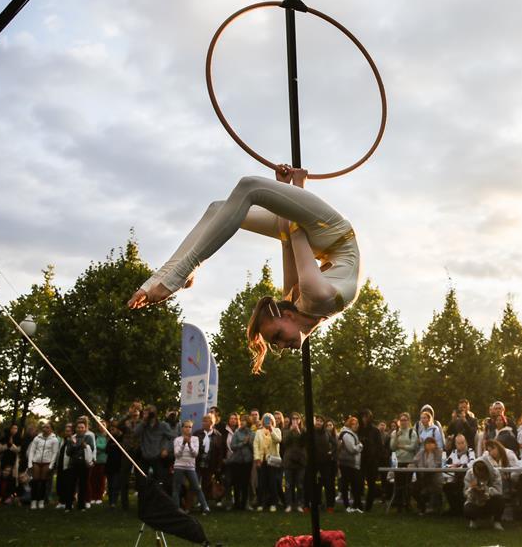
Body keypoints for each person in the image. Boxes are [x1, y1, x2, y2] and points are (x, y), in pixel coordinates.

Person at [129, 167, 362, 374]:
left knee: (217, 209)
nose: (280, 347)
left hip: (315, 237)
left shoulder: (297, 302)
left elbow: (289, 239)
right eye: (278, 337)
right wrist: (294, 189)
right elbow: (294, 233)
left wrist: (288, 190)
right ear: (288, 316)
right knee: (247, 188)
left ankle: (159, 282)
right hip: (331, 231)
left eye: (274, 342)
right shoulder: (317, 296)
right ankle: (177, 275)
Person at [173, 420, 210, 514]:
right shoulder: (177, 440)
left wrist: (189, 444)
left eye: (190, 427)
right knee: (177, 488)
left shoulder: (195, 439)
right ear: (182, 428)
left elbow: (195, 454)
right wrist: (183, 444)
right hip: (179, 466)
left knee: (197, 487)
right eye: (186, 427)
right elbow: (177, 455)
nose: (188, 429)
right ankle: (176, 509)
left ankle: (205, 506)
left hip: (190, 467)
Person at [134, 406, 176, 487]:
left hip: (158, 457)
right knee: (142, 481)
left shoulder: (163, 425)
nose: (145, 415)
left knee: (160, 481)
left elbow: (172, 438)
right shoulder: (143, 425)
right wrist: (144, 422)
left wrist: (166, 449)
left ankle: (158, 498)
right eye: (144, 413)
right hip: (144, 456)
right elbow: (135, 433)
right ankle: (143, 498)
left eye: (148, 413)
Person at [389, 412, 418, 512]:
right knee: (399, 483)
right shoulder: (395, 432)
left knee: (408, 484)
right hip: (399, 461)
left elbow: (413, 447)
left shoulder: (412, 432)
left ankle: (407, 503)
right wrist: (397, 437)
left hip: (409, 461)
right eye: (401, 420)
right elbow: (392, 447)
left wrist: (401, 446)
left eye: (405, 420)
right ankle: (399, 504)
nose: (403, 422)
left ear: (408, 421)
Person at [193, 414, 224, 507]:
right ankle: (197, 501)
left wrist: (218, 466)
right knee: (196, 483)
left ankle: (204, 503)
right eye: (203, 421)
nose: (203, 423)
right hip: (198, 462)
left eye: (205, 421)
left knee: (206, 484)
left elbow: (220, 452)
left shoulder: (218, 435)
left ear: (211, 423)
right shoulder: (197, 433)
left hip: (210, 463)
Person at [27, 421, 59, 509]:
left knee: (43, 482)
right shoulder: (37, 438)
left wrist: (51, 465)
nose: (45, 429)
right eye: (44, 427)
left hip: (47, 463)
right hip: (36, 462)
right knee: (35, 482)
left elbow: (54, 453)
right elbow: (32, 451)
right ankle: (33, 501)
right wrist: (30, 463)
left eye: (47, 427)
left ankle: (41, 501)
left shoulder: (54, 439)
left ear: (51, 429)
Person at [464, 459, 504, 530]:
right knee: (467, 508)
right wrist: (471, 489)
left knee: (500, 500)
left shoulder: (495, 473)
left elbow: (499, 491)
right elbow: (465, 493)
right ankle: (473, 520)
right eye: (478, 474)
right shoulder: (469, 474)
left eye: (482, 475)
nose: (480, 476)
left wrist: (486, 489)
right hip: (474, 501)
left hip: (490, 500)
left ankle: (497, 521)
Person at [253, 413, 282, 512]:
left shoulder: (277, 430)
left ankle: (273, 503)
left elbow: (278, 440)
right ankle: (261, 503)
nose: (267, 421)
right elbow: (255, 445)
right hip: (262, 461)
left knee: (273, 483)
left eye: (269, 419)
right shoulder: (258, 432)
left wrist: (271, 430)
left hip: (272, 461)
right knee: (261, 483)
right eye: (266, 419)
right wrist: (257, 458)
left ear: (272, 421)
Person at [443, 433, 475, 516]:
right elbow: (446, 465)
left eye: (463, 442)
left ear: (466, 442)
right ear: (455, 444)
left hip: (467, 480)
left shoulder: (470, 451)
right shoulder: (453, 452)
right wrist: (455, 466)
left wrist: (457, 466)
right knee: (447, 487)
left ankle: (461, 510)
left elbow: (472, 464)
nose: (461, 445)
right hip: (454, 478)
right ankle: (454, 509)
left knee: (460, 487)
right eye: (459, 443)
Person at [338, 416, 364, 513]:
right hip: (347, 463)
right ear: (350, 424)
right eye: (354, 424)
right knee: (347, 485)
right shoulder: (346, 434)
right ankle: (347, 505)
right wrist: (360, 446)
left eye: (357, 424)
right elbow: (352, 449)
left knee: (355, 485)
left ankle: (356, 505)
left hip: (353, 464)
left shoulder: (352, 434)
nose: (357, 426)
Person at [282, 412, 307, 513]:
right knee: (288, 484)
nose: (295, 420)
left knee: (300, 484)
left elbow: (304, 443)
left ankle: (299, 504)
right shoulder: (286, 431)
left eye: (297, 418)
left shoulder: (304, 430)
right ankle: (289, 504)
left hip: (301, 461)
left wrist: (299, 433)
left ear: (300, 420)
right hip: (289, 460)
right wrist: (290, 432)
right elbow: (284, 443)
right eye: (293, 419)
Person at [312, 415, 337, 512]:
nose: (318, 422)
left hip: (326, 463)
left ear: (323, 423)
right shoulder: (311, 432)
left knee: (328, 484)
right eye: (317, 421)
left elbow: (335, 444)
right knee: (316, 485)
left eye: (320, 421)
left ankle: (330, 505)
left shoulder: (327, 433)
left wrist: (331, 453)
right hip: (314, 463)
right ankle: (317, 503)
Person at [229, 415, 255, 511]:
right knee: (236, 483)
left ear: (248, 422)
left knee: (245, 483)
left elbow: (254, 448)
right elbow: (232, 446)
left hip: (247, 461)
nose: (242, 422)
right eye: (242, 421)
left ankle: (244, 504)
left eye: (244, 421)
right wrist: (243, 443)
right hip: (237, 461)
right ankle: (236, 504)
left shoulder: (252, 434)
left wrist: (249, 443)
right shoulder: (237, 433)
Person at [68, 420, 94, 510]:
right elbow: (68, 452)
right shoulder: (72, 438)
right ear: (76, 428)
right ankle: (69, 505)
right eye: (78, 427)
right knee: (71, 484)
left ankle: (81, 505)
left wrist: (83, 446)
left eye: (82, 427)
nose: (80, 429)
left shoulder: (88, 438)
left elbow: (91, 448)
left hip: (84, 464)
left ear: (85, 428)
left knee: (83, 485)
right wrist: (77, 446)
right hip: (73, 464)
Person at [88, 420, 108, 505]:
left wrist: (98, 447)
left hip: (104, 461)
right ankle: (93, 496)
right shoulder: (95, 435)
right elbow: (92, 446)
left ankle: (99, 496)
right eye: (100, 425)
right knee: (93, 479)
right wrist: (99, 448)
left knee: (101, 480)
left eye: (103, 425)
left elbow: (105, 447)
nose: (101, 426)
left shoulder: (108, 436)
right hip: (95, 460)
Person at [104, 420, 123, 508]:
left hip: (118, 466)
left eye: (113, 429)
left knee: (115, 484)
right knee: (110, 485)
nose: (111, 431)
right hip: (110, 465)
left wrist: (116, 445)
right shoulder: (110, 440)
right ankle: (110, 501)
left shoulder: (122, 438)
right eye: (110, 430)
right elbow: (106, 450)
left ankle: (114, 502)